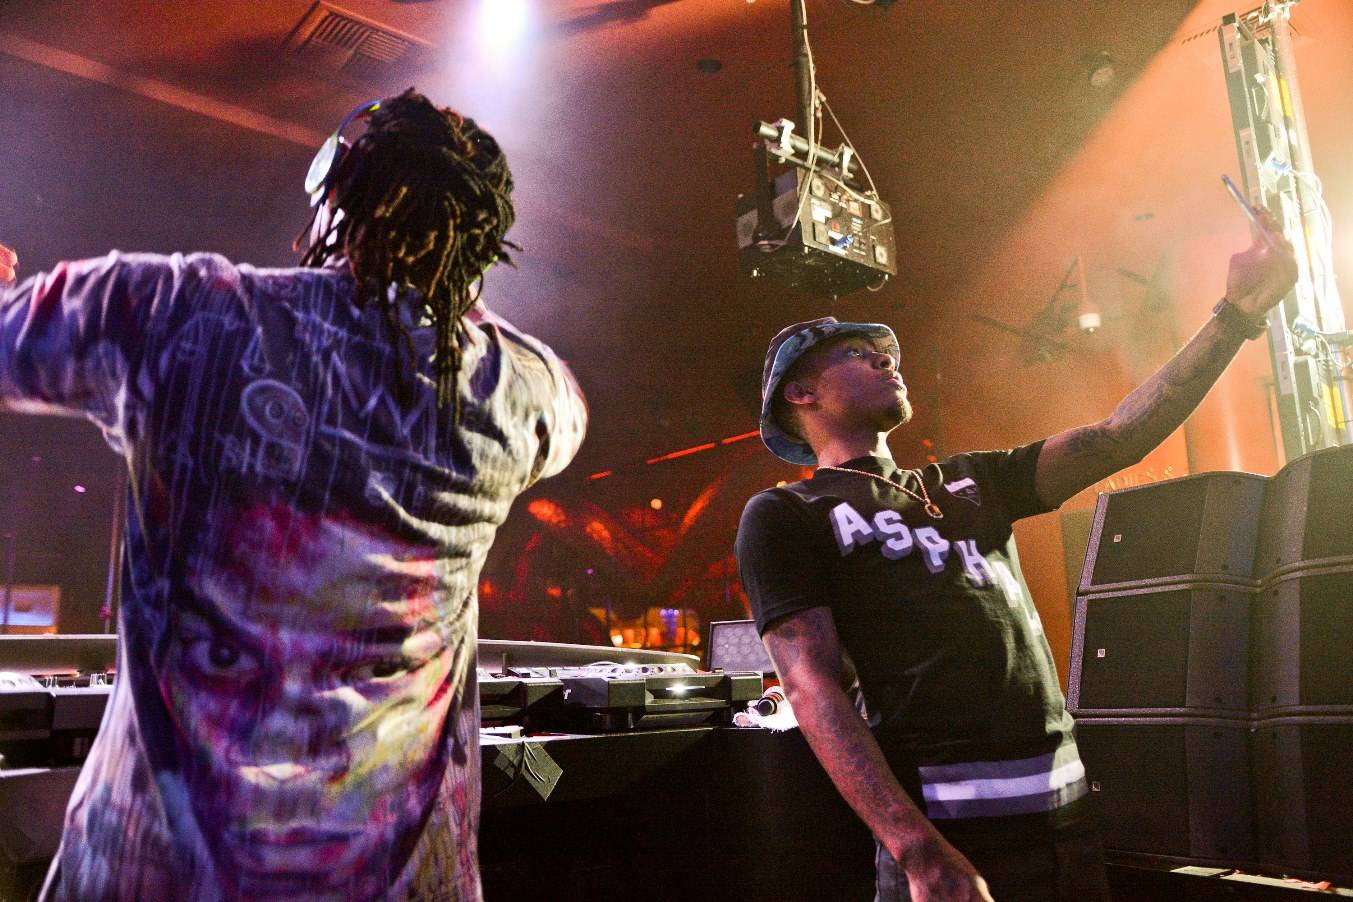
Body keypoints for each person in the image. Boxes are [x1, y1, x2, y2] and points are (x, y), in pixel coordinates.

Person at [0, 88, 586, 901]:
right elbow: (533, 382)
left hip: (158, 874)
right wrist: (439, 288)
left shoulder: (177, 313)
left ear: (333, 196)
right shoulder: (524, 392)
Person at [735, 211, 1296, 901]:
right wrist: (917, 851)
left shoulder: (973, 480)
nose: (885, 359)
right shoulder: (786, 514)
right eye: (855, 353)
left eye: (885, 352)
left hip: (1068, 829)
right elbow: (810, 688)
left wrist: (1235, 315)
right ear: (800, 393)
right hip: (951, 841)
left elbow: (1117, 436)